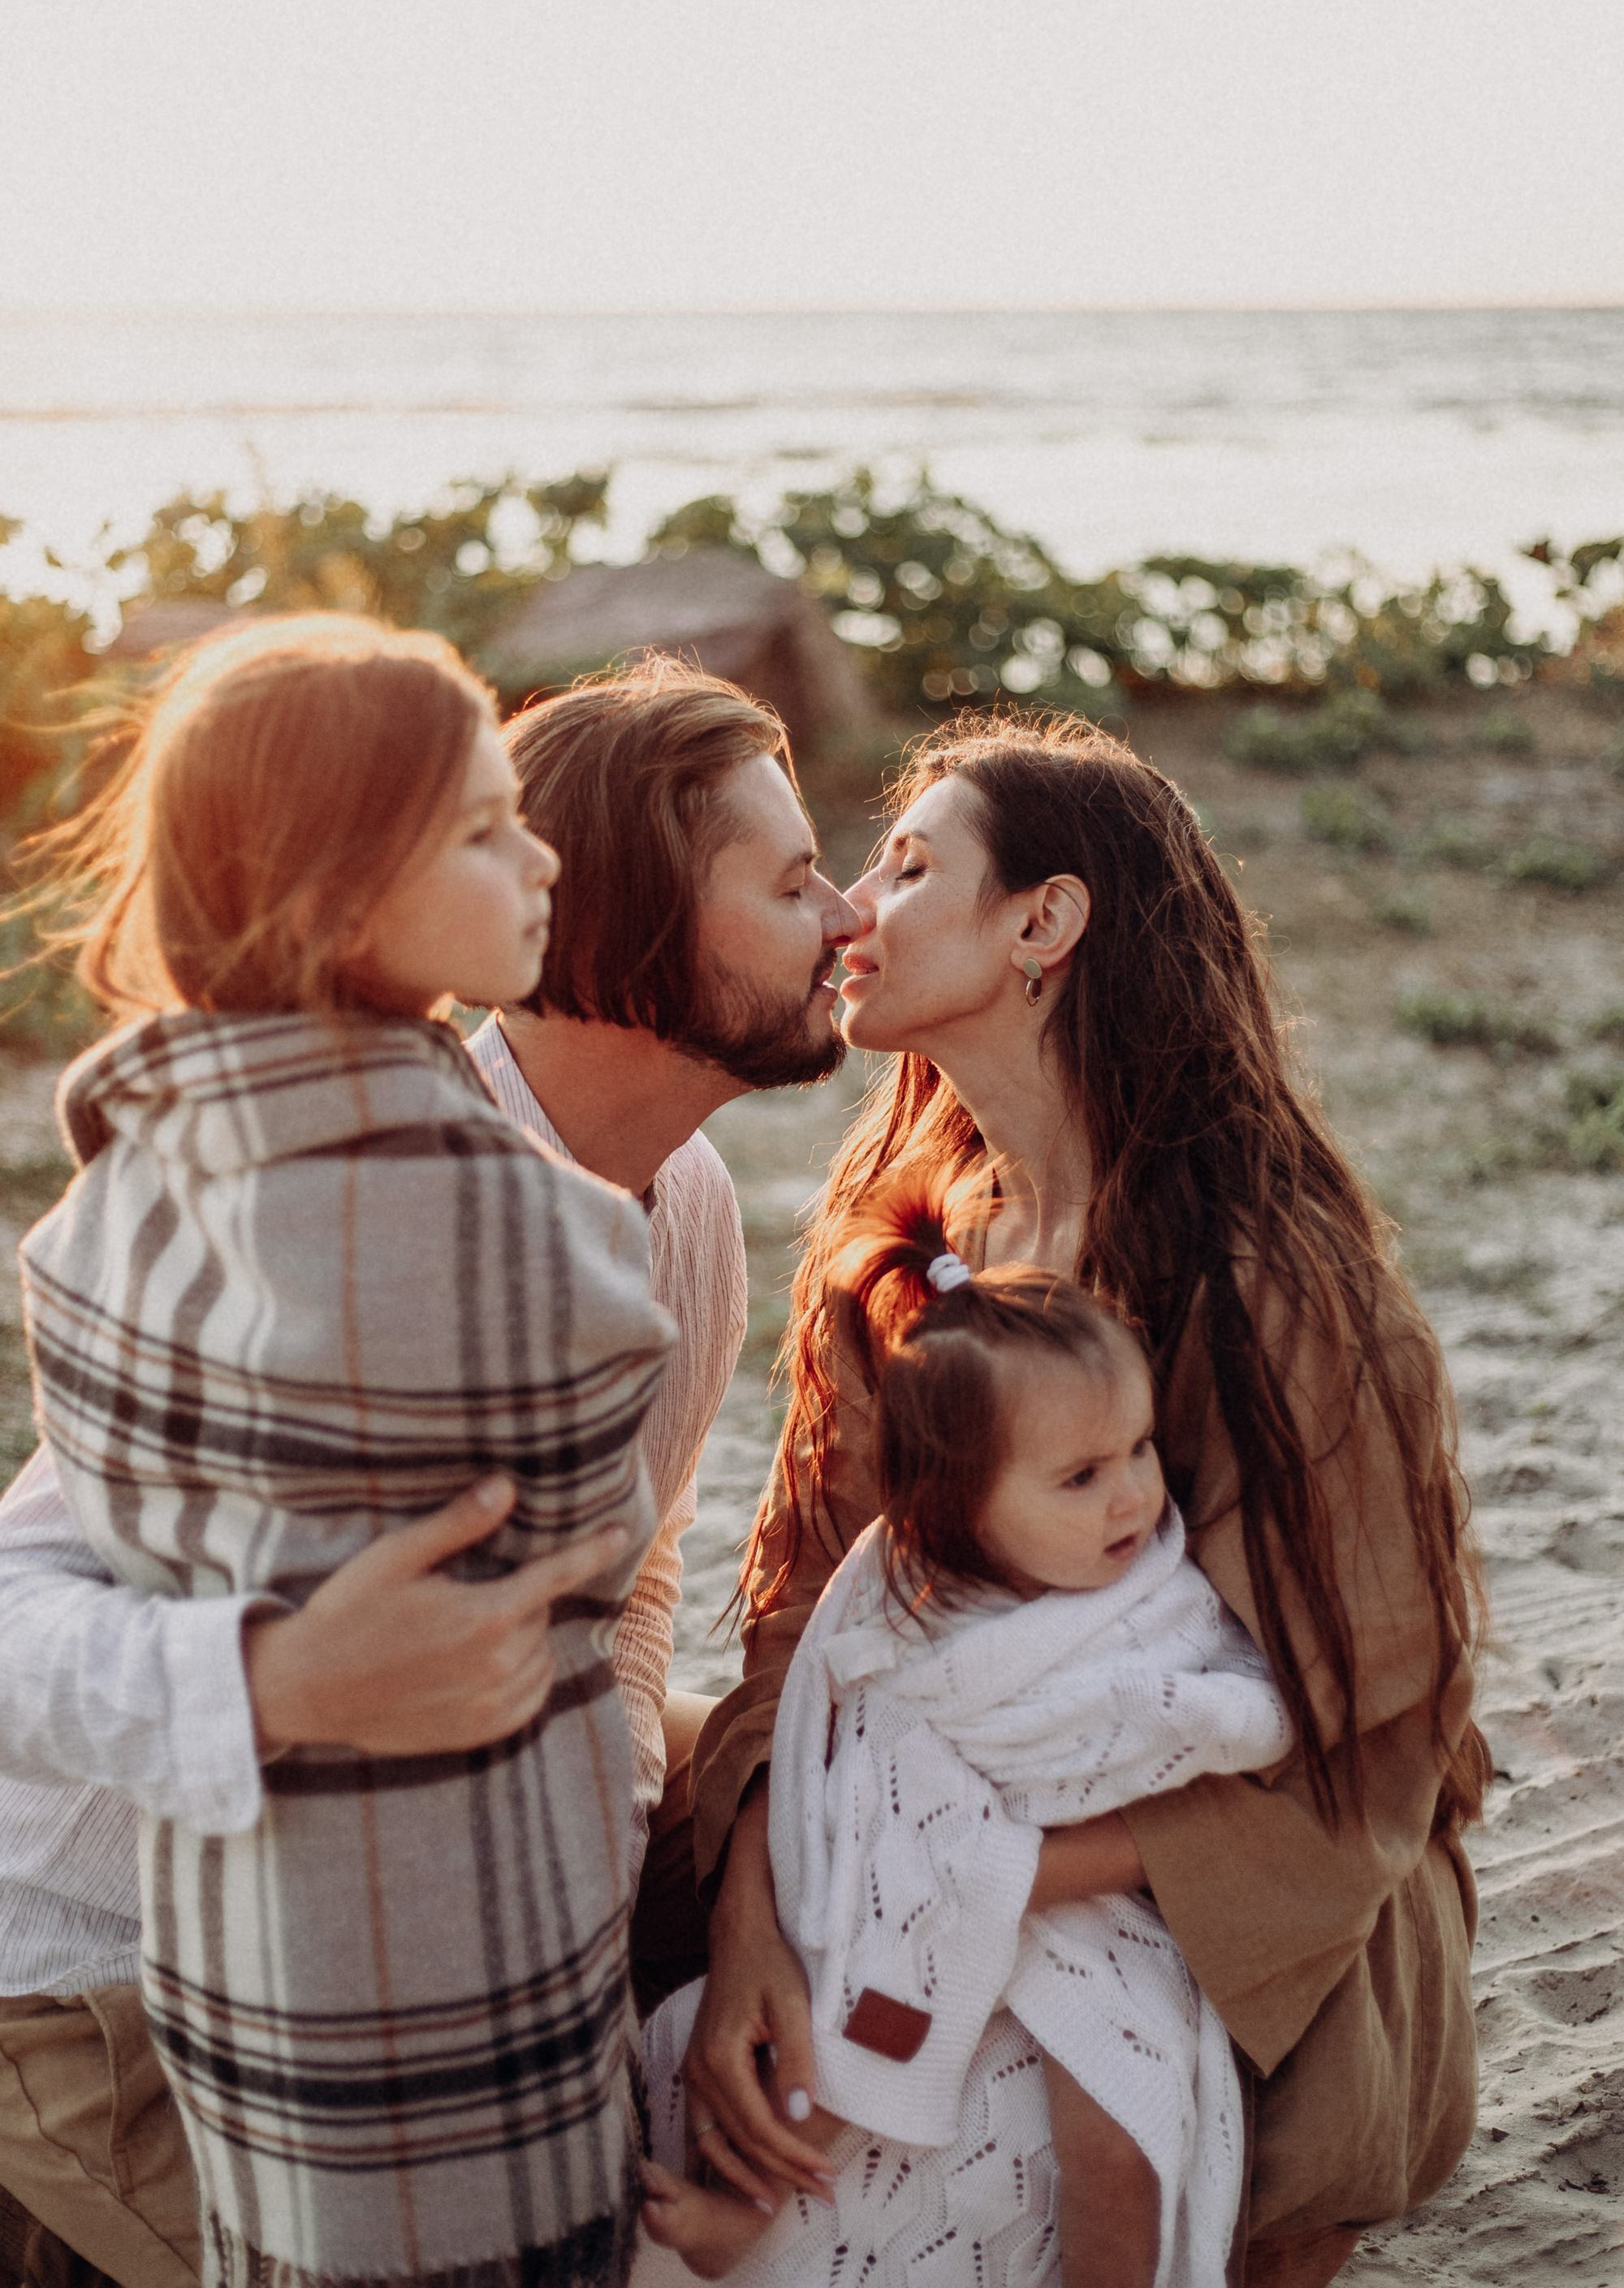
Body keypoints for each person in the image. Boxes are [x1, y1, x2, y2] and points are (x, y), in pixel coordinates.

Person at [0, 655, 860, 2286]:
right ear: (621, 923)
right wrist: (277, 1677)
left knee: (849, 1785)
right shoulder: (338, 1214)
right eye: (792, 880)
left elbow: (641, 1574)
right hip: (110, 1978)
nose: (847, 914)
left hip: (458, 1887)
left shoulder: (675, 1203)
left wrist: (604, 1855)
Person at [680, 712, 1487, 2288]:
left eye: (908, 868)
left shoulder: (1268, 1289)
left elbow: (1369, 1729)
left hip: (1237, 1891)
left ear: (1043, 923)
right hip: (912, 1830)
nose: (851, 907)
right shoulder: (912, 1249)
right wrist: (755, 1916)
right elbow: (805, 1610)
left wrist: (963, 1887)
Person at [641, 1187, 1294, 2286]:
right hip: (922, 1895)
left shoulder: (1150, 1585)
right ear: (960, 1509)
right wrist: (961, 1867)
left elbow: (1224, 1705)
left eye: (1138, 1449)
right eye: (1081, 1477)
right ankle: (745, 2213)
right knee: (850, 2019)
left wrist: (1221, 1725)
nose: (1132, 1497)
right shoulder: (911, 1614)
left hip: (1098, 1912)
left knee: (1121, 2121)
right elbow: (863, 1760)